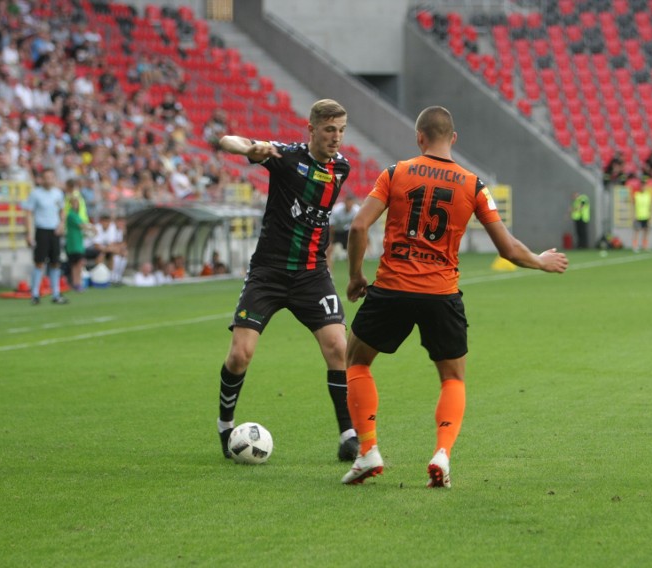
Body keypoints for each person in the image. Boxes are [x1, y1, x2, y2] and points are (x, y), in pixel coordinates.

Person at [340, 106, 568, 487]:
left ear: (419, 137)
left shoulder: (395, 174)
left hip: (392, 289)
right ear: (454, 138)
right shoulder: (473, 185)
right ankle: (442, 455)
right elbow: (508, 249)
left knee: (357, 361)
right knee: (453, 378)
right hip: (440, 294)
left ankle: (368, 451)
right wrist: (541, 262)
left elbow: (359, 226)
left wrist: (355, 276)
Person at [215, 99, 359, 462]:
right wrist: (254, 148)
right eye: (329, 130)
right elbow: (226, 141)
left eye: (341, 131)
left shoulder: (341, 168)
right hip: (269, 272)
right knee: (240, 355)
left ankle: (348, 436)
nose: (336, 138)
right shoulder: (285, 157)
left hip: (312, 275)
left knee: (338, 348)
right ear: (311, 130)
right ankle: (224, 426)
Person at [22, 168, 69, 305]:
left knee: (55, 262)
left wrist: (61, 224)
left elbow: (62, 211)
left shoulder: (58, 194)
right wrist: (28, 234)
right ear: (41, 179)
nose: (48, 180)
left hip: (54, 231)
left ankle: (56, 293)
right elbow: (28, 213)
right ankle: (35, 293)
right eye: (46, 177)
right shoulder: (36, 194)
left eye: (51, 177)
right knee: (39, 262)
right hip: (41, 230)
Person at [327, 192, 360, 271]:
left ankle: (352, 272)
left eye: (351, 202)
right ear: (345, 202)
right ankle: (329, 272)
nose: (349, 204)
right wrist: (330, 241)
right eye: (348, 201)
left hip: (346, 230)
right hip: (334, 231)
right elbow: (331, 227)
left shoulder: (356, 210)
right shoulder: (337, 210)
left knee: (351, 252)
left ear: (353, 202)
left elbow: (356, 226)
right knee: (329, 250)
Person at [64, 195, 91, 291]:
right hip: (73, 244)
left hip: (78, 243)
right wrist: (93, 228)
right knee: (77, 264)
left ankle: (77, 283)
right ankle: (77, 283)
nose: (76, 205)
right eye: (74, 203)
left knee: (77, 264)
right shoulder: (71, 215)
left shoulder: (76, 215)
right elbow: (82, 225)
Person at [631, 180, 652, 252]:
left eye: (645, 186)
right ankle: (635, 246)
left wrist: (651, 216)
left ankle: (644, 245)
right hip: (638, 216)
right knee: (637, 231)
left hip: (646, 216)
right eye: (642, 186)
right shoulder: (636, 195)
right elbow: (633, 206)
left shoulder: (648, 195)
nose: (643, 187)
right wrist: (633, 216)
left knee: (646, 231)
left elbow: (650, 206)